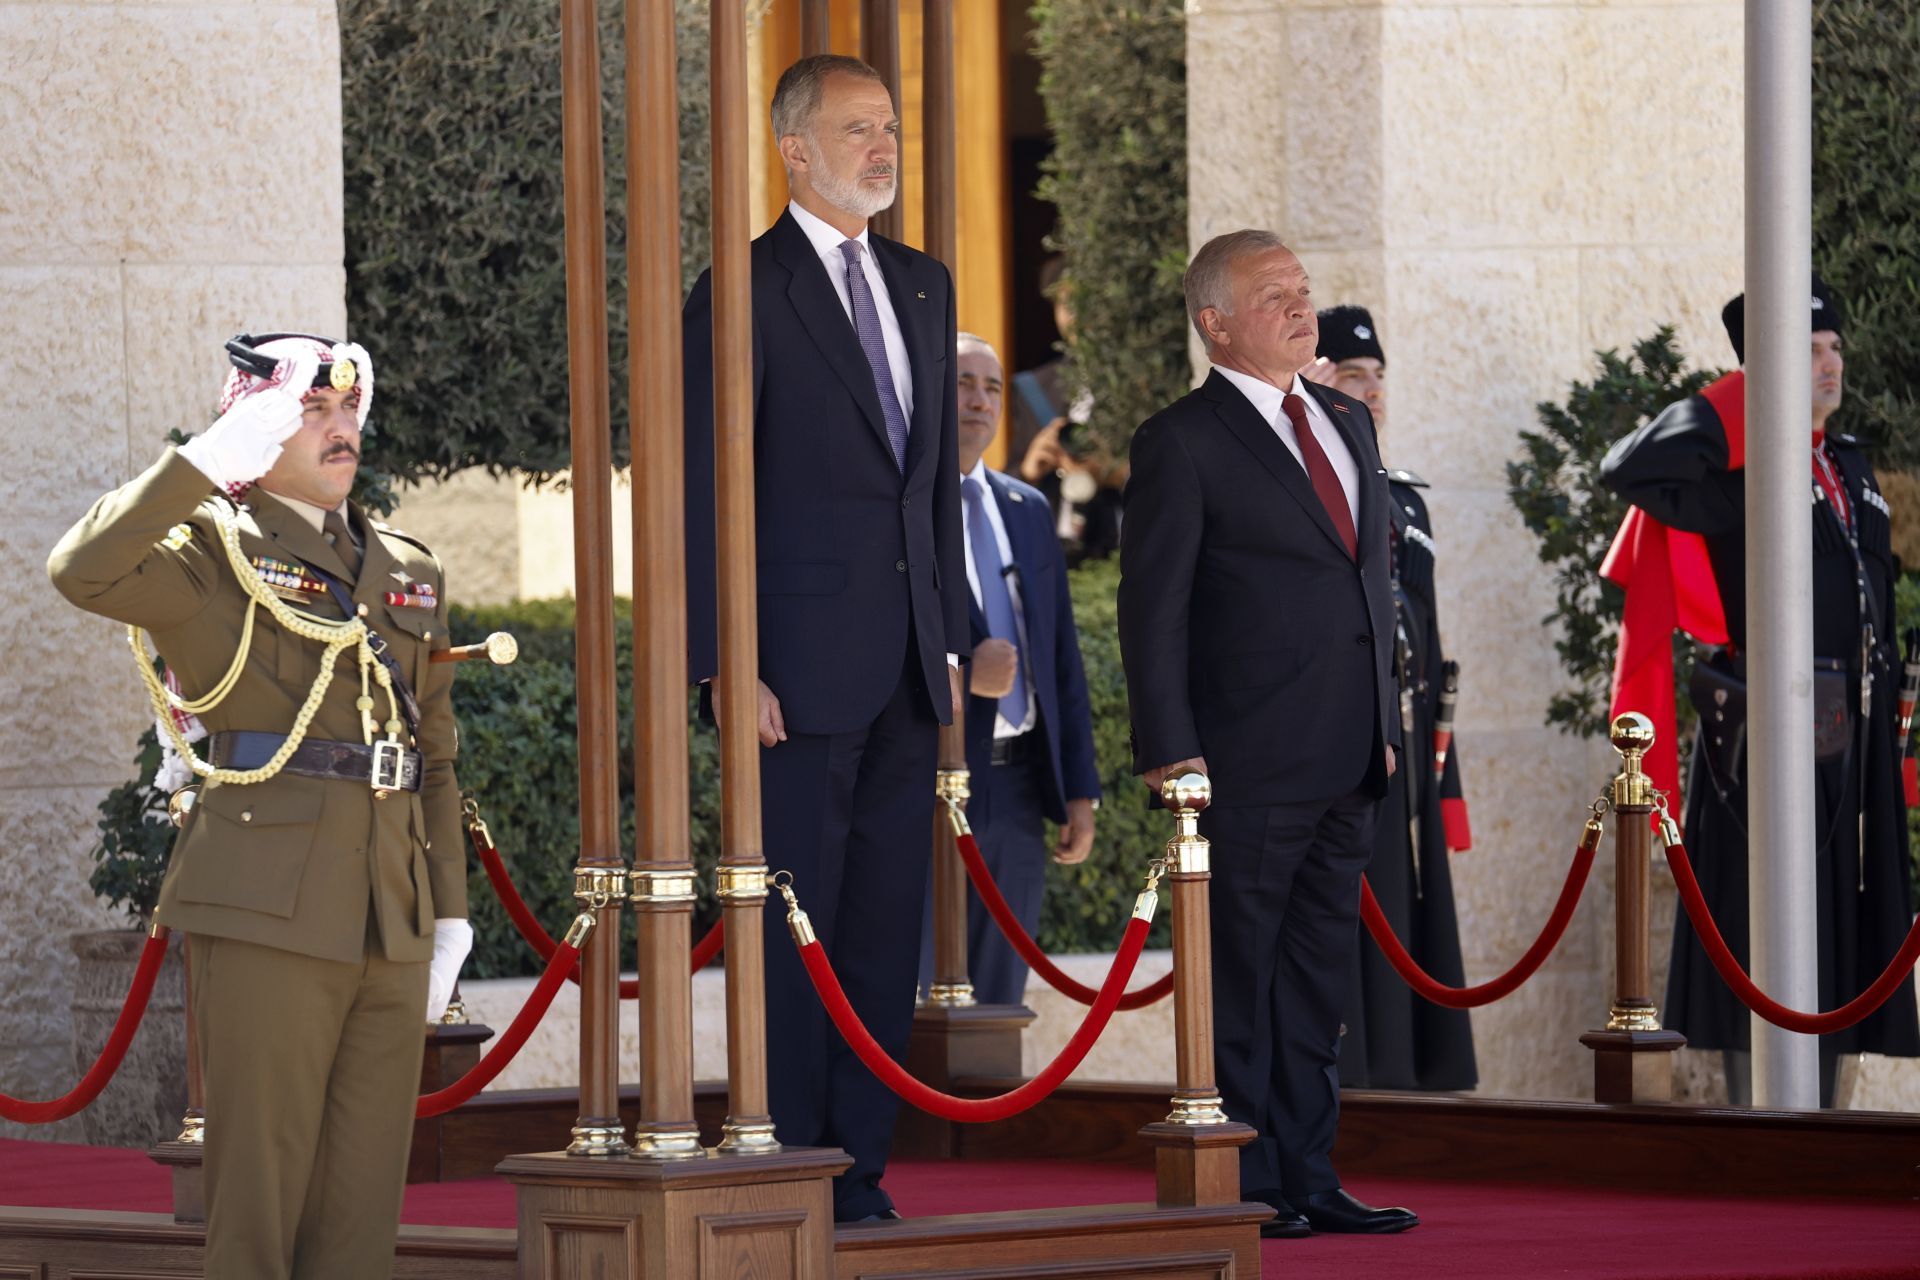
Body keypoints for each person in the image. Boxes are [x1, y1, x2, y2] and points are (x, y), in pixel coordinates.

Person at [47, 334, 471, 1278]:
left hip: (390, 920)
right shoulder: (207, 547)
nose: (339, 428)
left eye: (347, 411)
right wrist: (201, 465)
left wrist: (449, 912)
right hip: (267, 908)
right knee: (260, 1212)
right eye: (309, 413)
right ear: (255, 424)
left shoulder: (406, 566)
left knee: (361, 1218)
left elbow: (431, 755)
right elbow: (80, 570)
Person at [682, 53, 968, 1222]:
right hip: (793, 670)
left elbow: (933, 481)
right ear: (793, 149)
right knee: (796, 918)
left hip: (907, 663)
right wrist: (723, 656)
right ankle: (789, 1161)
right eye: (858, 129)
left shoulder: (923, 283)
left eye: (890, 127)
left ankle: (860, 1170)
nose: (883, 147)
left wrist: (953, 631)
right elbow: (705, 486)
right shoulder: (741, 290)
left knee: (881, 927)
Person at [1117, 230, 1417, 1238]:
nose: (1303, 309)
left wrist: (1383, 718)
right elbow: (1152, 606)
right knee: (1239, 977)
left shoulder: (1345, 418)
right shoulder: (1183, 439)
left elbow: (1367, 581)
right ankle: (1245, 1180)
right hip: (1242, 759)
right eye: (1274, 295)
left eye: (1303, 291)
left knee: (1317, 980)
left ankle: (1309, 1173)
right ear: (1216, 322)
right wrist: (1170, 745)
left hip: (1348, 758)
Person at [1600, 275, 1920, 1106]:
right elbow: (1631, 466)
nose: (1828, 365)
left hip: (1858, 736)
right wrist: (1749, 398)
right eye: (1806, 352)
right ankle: (1764, 1124)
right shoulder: (1740, 472)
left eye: (1833, 349)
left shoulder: (1848, 467)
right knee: (1762, 924)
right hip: (1767, 733)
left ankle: (1831, 1120)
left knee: (1849, 929)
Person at [1306, 305, 1478, 1092]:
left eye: (1378, 378)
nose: (1370, 391)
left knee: (1410, 913)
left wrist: (1447, 787)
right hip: (1337, 747)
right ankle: (1359, 1080)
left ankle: (1413, 1079)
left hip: (1407, 741)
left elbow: (1431, 640)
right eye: (1351, 376)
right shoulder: (1312, 486)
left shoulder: (1404, 499)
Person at [919, 333, 1100, 1006]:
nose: (978, 399)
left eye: (992, 387)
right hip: (930, 786)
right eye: (963, 382)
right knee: (921, 995)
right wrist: (963, 672)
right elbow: (877, 641)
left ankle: (985, 1116)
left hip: (1021, 790)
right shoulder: (901, 511)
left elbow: (1060, 658)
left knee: (1000, 999)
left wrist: (1078, 787)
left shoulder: (1026, 508)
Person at [1009, 255, 1124, 566]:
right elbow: (1008, 478)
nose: (1075, 315)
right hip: (1051, 552)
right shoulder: (1033, 387)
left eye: (1084, 300)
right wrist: (1029, 471)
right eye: (1064, 303)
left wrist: (1118, 474)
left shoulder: (1135, 381)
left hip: (1123, 547)